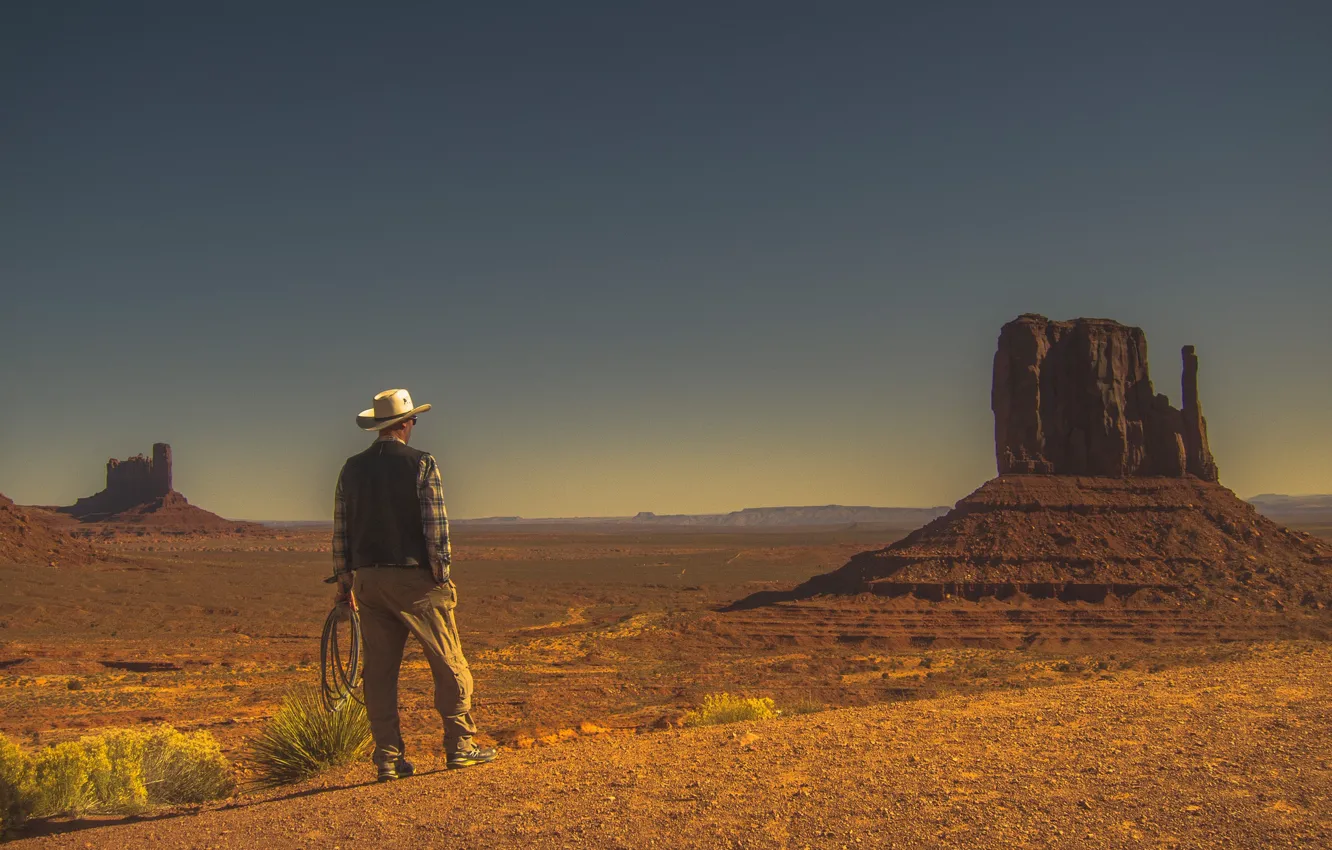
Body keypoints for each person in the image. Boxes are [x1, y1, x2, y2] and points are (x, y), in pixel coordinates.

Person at [332, 388, 497, 780]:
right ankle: (460, 746)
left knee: (379, 672)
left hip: (368, 581)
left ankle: (388, 758)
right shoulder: (422, 464)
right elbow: (436, 526)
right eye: (414, 421)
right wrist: (441, 574)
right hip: (415, 579)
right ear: (405, 424)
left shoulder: (350, 469)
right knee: (448, 661)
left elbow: (341, 529)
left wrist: (344, 581)